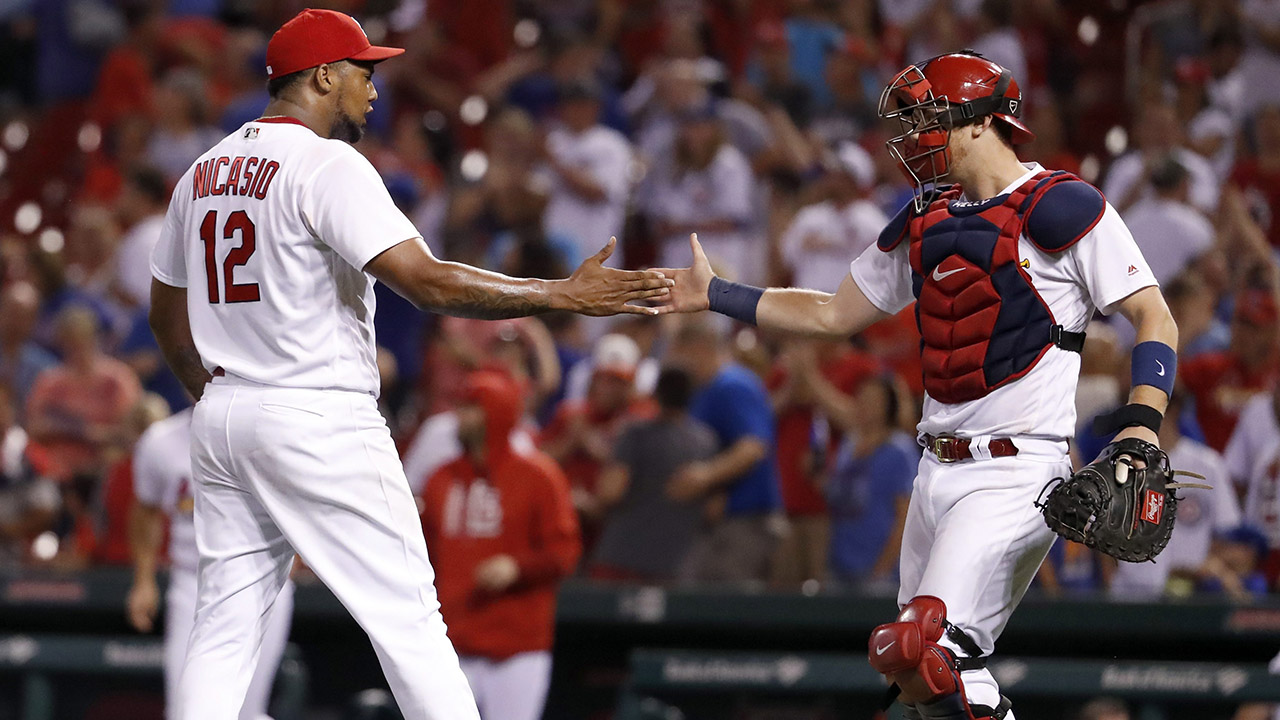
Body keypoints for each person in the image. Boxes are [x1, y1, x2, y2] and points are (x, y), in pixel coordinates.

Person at [146, 10, 672, 719]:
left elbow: (165, 314)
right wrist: (559, 294)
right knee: (409, 620)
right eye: (364, 71)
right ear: (323, 75)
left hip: (223, 415)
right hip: (315, 412)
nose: (373, 88)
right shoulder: (326, 164)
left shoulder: (201, 173)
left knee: (222, 627)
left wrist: (208, 393)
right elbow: (426, 282)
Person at [659, 51, 1176, 719]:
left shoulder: (1062, 204)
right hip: (935, 471)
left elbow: (1151, 313)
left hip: (1016, 470)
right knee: (921, 685)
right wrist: (717, 294)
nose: (910, 136)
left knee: (920, 647)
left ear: (981, 124)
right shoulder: (926, 214)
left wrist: (1140, 424)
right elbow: (831, 314)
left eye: (926, 118)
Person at [419, 371, 579, 720]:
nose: (460, 418)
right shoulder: (439, 479)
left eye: (471, 408)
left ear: (498, 412)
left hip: (518, 646)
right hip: (452, 642)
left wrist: (517, 567)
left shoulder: (539, 476)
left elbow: (564, 553)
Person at [126, 406, 294, 720]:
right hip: (193, 582)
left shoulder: (274, 428)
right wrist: (143, 581)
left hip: (261, 580)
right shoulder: (161, 441)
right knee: (184, 709)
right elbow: (146, 510)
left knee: (246, 710)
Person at [666, 320, 783, 586]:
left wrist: (705, 477)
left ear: (698, 349)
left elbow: (753, 447)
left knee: (730, 613)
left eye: (678, 353)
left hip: (746, 521)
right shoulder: (703, 390)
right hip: (718, 523)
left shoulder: (733, 385)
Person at [589, 367, 719, 582]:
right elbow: (713, 511)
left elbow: (610, 492)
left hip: (622, 560)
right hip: (675, 566)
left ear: (656, 394)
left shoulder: (635, 434)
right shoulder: (707, 441)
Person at [826, 376, 918, 590]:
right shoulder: (848, 444)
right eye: (862, 398)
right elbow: (839, 497)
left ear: (888, 405)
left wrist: (882, 569)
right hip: (840, 564)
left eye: (874, 400)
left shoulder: (900, 450)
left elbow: (905, 516)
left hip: (879, 571)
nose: (866, 405)